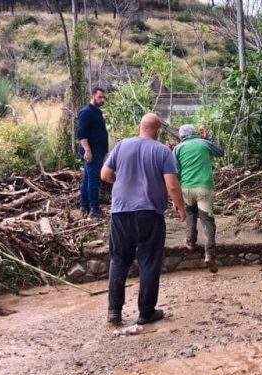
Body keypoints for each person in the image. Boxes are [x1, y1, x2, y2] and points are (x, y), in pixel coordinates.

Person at [100, 114, 186, 325]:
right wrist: (181, 208)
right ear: (157, 131)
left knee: (119, 260)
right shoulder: (162, 151)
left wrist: (121, 183)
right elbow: (172, 185)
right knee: (149, 261)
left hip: (120, 213)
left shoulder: (121, 146)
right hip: (150, 213)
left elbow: (104, 174)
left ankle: (114, 311)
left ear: (140, 127)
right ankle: (146, 312)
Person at [173, 124, 224, 273]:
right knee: (207, 220)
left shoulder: (178, 149)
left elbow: (175, 171)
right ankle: (209, 254)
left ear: (181, 136)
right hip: (204, 187)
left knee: (190, 212)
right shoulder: (203, 143)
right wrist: (207, 138)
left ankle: (190, 240)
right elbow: (220, 152)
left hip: (186, 188)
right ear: (194, 133)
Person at [77, 87, 109, 218]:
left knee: (87, 180)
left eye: (104, 98)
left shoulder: (97, 112)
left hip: (98, 151)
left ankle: (84, 206)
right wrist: (88, 150)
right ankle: (94, 209)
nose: (102, 100)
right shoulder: (86, 112)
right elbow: (81, 134)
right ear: (92, 96)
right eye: (100, 97)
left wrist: (105, 152)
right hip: (92, 152)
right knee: (94, 181)